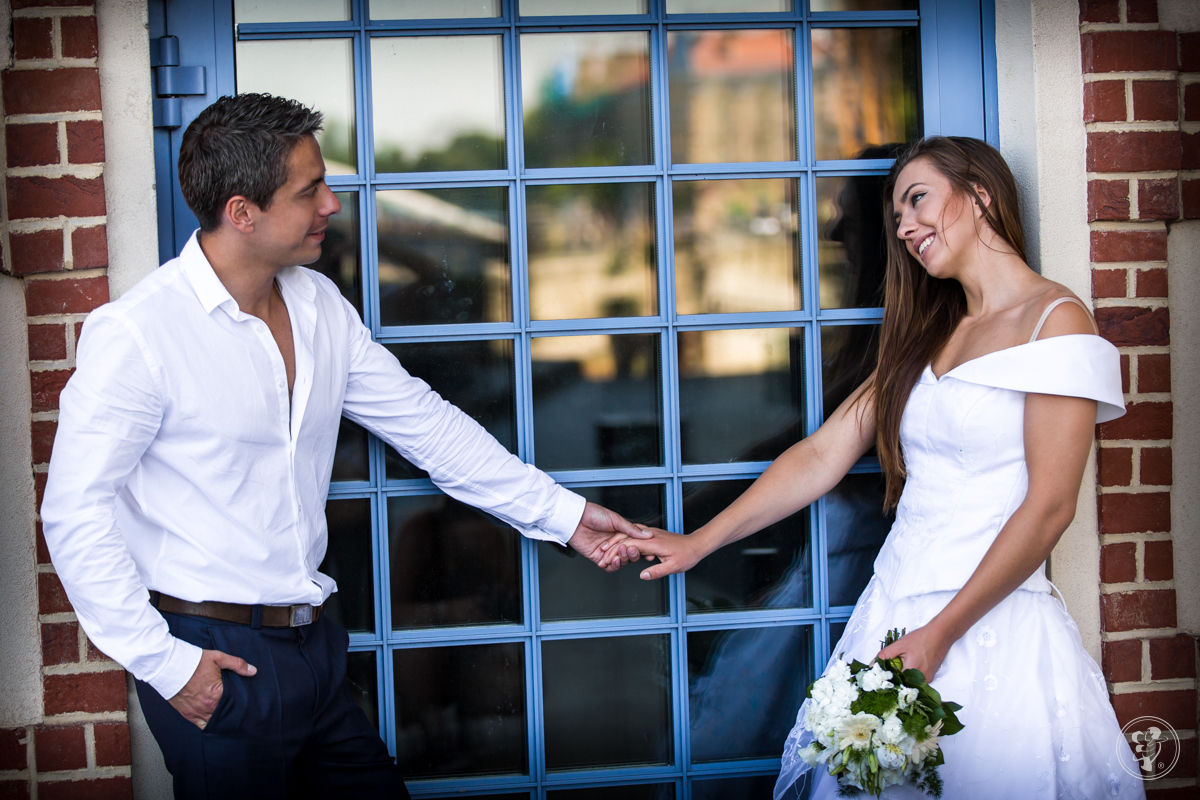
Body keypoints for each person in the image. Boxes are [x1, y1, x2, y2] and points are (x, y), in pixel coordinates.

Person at [40, 93, 646, 800]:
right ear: (243, 212)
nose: (331, 202)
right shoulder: (140, 334)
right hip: (214, 653)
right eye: (309, 190)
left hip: (316, 650)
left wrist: (566, 517)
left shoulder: (319, 305)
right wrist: (169, 666)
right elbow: (74, 515)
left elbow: (427, 425)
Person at [608, 137, 1145, 798]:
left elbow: (1051, 505)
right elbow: (820, 455)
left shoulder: (1054, 322)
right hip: (890, 611)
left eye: (917, 199)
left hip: (987, 622)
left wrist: (943, 634)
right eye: (895, 217)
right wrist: (699, 541)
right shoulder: (926, 332)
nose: (906, 226)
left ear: (980, 195)